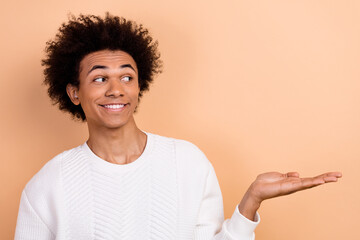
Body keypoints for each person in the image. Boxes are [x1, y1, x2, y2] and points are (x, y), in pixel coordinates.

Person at [14, 13, 342, 240]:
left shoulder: (187, 162)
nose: (116, 89)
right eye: (100, 78)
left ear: (139, 86)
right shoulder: (47, 186)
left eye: (127, 77)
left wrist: (250, 201)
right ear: (74, 92)